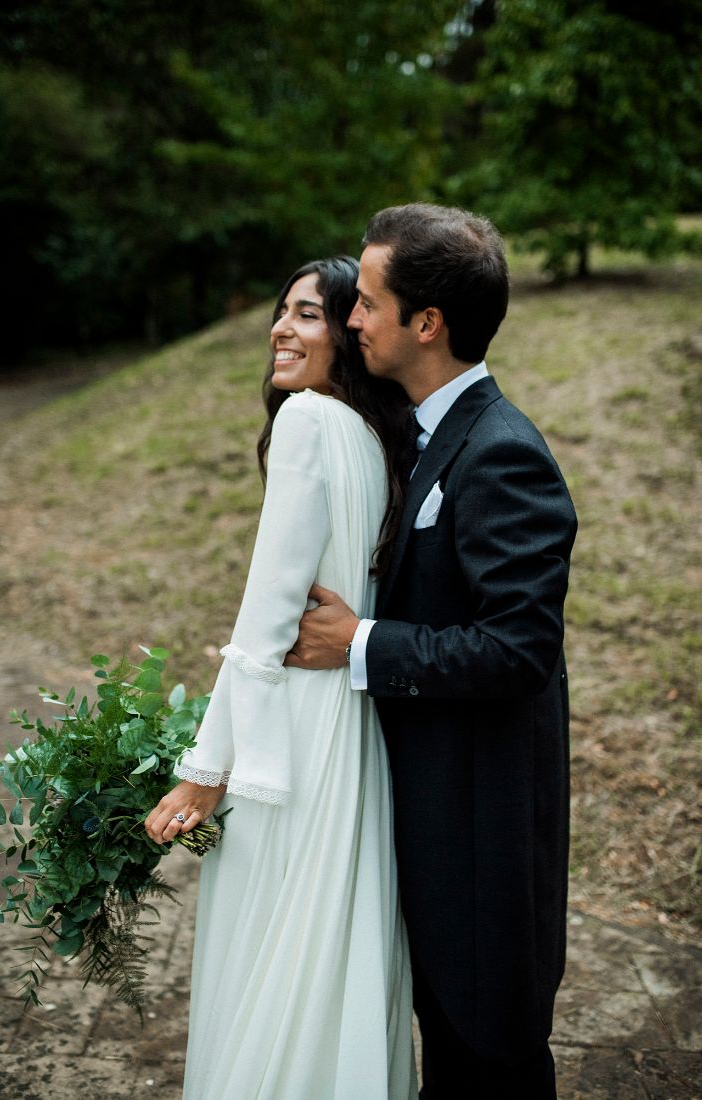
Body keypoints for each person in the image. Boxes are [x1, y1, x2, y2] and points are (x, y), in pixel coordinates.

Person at [286, 204, 578, 1100]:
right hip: (422, 815)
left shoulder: (501, 455)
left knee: (488, 1057)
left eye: (367, 303)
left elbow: (518, 649)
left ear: (427, 323)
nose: (351, 320)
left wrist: (362, 643)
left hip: (480, 833)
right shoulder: (413, 433)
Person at [145, 256, 418, 1100]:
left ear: (348, 334)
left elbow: (266, 621)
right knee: (324, 960)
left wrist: (202, 772)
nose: (280, 328)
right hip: (355, 735)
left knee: (266, 956)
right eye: (281, 312)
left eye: (308, 315)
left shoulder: (305, 420)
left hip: (291, 747)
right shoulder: (374, 436)